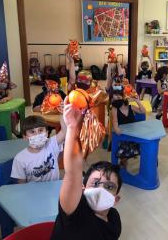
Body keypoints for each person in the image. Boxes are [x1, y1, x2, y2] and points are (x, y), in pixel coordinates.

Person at [51, 100, 122, 240]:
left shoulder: (114, 219)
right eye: (95, 183)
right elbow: (73, 171)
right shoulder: (74, 212)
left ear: (116, 199)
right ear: (82, 189)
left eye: (109, 186)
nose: (101, 189)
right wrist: (73, 129)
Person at [10, 115, 66, 183]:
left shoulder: (51, 144)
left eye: (41, 130)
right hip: (34, 192)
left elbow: (64, 132)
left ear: (47, 133)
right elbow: (22, 184)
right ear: (25, 137)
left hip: (53, 189)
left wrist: (63, 112)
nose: (37, 134)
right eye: (32, 132)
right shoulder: (20, 159)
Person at [111, 89, 145, 167]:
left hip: (133, 133)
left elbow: (142, 111)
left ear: (123, 97)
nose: (116, 100)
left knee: (142, 146)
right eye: (114, 99)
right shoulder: (115, 109)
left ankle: (131, 155)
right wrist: (116, 128)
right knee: (124, 149)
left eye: (118, 97)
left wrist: (137, 101)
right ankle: (124, 163)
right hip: (123, 134)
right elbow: (115, 120)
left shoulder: (130, 107)